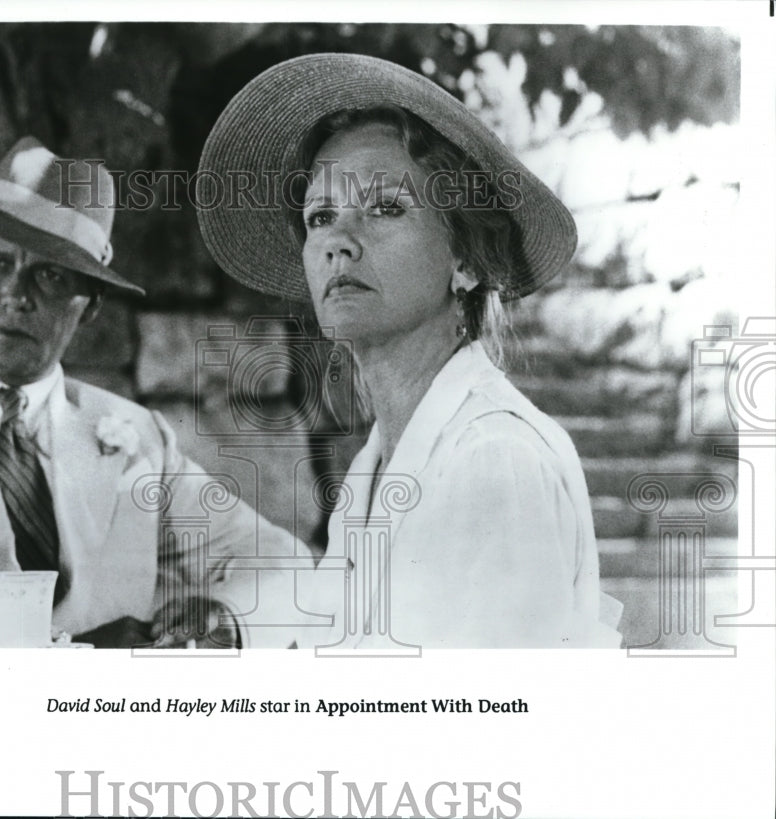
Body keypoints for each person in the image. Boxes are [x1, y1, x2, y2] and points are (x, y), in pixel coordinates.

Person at [196, 53, 623, 648]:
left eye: (386, 208)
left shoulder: (494, 459)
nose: (338, 243)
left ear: (467, 260)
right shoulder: (378, 464)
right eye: (320, 216)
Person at [0, 137, 299, 649]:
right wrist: (71, 654)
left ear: (90, 306)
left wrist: (225, 618)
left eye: (49, 274)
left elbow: (282, 562)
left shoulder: (136, 437)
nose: (16, 296)